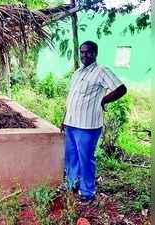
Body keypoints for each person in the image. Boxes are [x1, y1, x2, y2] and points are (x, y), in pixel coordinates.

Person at [60, 41, 127, 205]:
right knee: (71, 157)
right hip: (72, 123)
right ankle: (72, 184)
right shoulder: (77, 73)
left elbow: (121, 89)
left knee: (86, 159)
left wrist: (103, 100)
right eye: (82, 52)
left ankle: (87, 192)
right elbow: (72, 98)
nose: (84, 55)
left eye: (88, 52)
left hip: (88, 125)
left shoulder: (101, 71)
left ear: (95, 53)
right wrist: (64, 119)